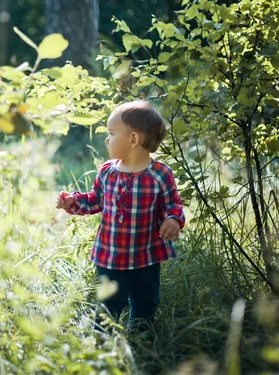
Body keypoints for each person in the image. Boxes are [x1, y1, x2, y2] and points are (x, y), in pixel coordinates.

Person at [56, 100, 185, 337]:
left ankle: (140, 337)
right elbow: (96, 200)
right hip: (111, 253)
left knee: (146, 299)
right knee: (110, 300)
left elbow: (172, 203)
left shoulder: (160, 174)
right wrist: (74, 201)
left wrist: (173, 219)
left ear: (133, 140)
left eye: (112, 133)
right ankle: (103, 339)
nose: (107, 139)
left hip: (146, 254)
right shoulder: (107, 171)